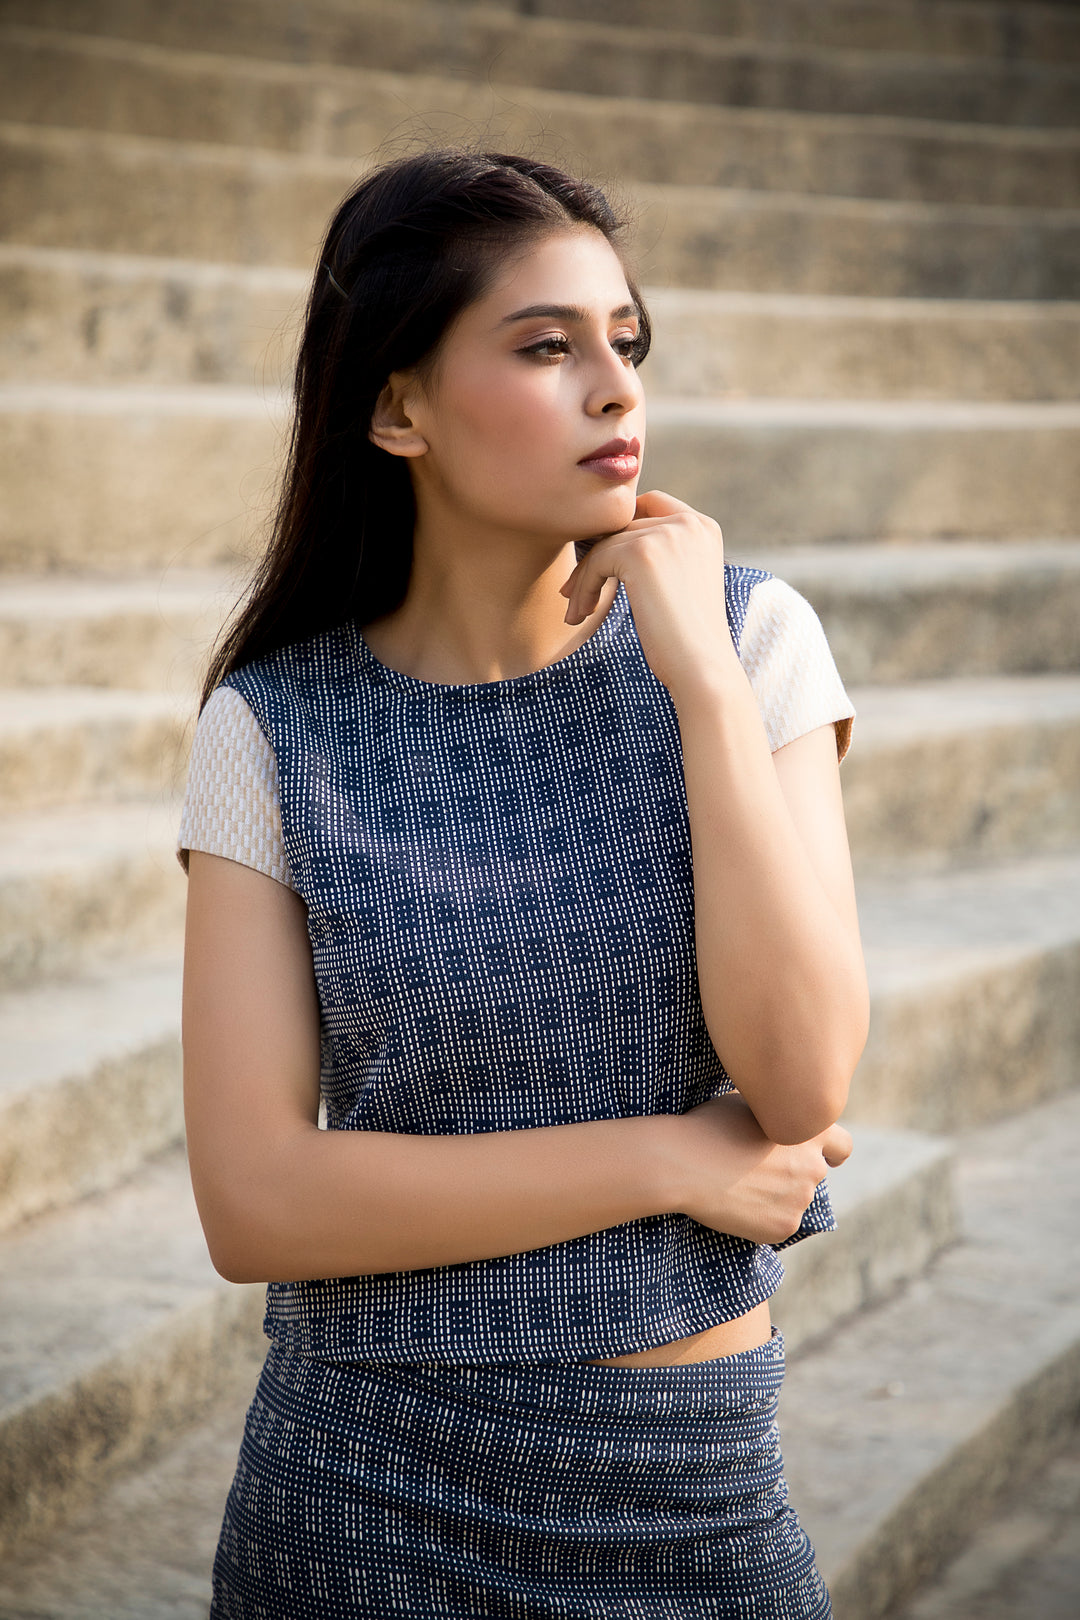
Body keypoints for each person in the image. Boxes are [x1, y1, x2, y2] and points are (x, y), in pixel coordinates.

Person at [178, 149, 868, 1619]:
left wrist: (696, 686)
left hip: (695, 1497)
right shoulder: (272, 727)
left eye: (627, 342)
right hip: (358, 1498)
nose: (615, 388)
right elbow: (258, 1204)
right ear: (396, 406)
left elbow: (802, 1084)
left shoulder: (750, 649)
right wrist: (669, 1160)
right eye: (546, 347)